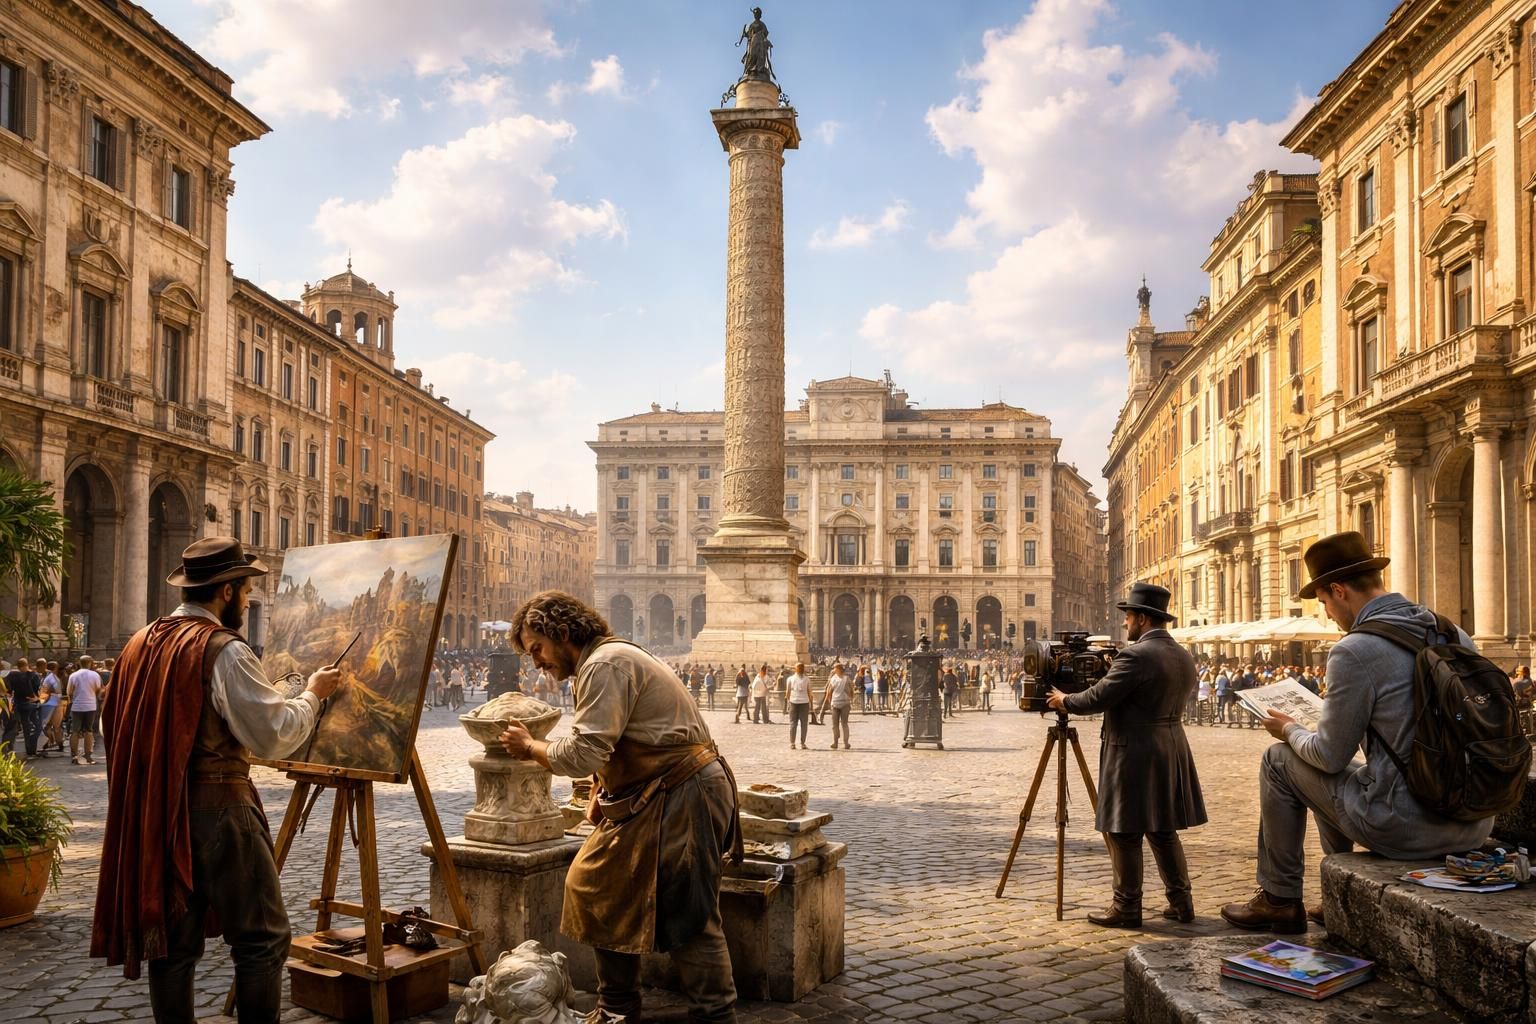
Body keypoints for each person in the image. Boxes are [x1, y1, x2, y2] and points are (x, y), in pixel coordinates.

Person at [90, 536, 342, 1023]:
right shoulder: (223, 649)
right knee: (262, 939)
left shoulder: (139, 643)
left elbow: (112, 725)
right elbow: (273, 734)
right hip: (220, 808)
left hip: (157, 810)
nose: (246, 602)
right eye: (245, 592)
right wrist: (312, 694)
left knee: (172, 944)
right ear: (226, 591)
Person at [1221, 532, 1502, 934]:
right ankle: (1335, 891)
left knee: (1280, 760)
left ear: (1339, 591)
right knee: (1341, 775)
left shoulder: (1355, 649)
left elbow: (1329, 756)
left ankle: (1279, 899)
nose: (1328, 614)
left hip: (1409, 827)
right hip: (1474, 819)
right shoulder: (1452, 632)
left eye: (1324, 603)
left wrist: (1289, 729)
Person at [497, 591, 741, 1023]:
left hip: (683, 793)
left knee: (689, 911)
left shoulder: (604, 664)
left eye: (537, 648)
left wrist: (530, 746)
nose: (536, 662)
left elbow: (584, 752)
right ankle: (618, 1008)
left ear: (562, 633)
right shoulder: (603, 661)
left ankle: (716, 1016)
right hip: (657, 794)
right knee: (596, 885)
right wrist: (601, 790)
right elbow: (619, 740)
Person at [1048, 582, 1207, 928]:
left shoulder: (1136, 656)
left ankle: (1127, 907)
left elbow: (1098, 698)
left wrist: (1065, 701)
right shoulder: (1182, 654)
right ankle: (1182, 902)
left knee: (1124, 830)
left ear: (1143, 619)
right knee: (1163, 829)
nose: (1125, 623)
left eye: (1129, 617)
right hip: (1170, 746)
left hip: (1134, 751)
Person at [67, 657, 105, 765]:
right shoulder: (95, 675)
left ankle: (74, 756)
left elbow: (69, 692)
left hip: (77, 706)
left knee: (75, 731)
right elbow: (99, 691)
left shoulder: (73, 675)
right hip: (90, 706)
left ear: (80, 663)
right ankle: (88, 756)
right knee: (88, 731)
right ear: (90, 663)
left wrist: (72, 701)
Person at [3, 657, 43, 758]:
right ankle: (30, 749)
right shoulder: (33, 675)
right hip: (29, 703)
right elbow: (38, 689)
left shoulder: (12, 675)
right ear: (26, 665)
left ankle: (8, 750)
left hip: (16, 704)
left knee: (13, 727)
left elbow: (9, 690)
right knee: (28, 727)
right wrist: (36, 698)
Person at [819, 662, 852, 749]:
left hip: (843, 703)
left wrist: (830, 701)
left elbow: (830, 692)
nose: (833, 670)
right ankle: (836, 742)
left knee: (842, 724)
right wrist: (830, 701)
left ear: (838, 669)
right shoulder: (835, 679)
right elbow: (830, 691)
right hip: (837, 703)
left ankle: (845, 742)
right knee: (837, 725)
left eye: (835, 668)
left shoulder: (845, 678)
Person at [786, 662, 812, 750]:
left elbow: (787, 692)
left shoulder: (791, 679)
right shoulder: (806, 679)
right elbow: (809, 692)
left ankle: (796, 743)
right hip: (799, 702)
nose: (801, 669)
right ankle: (798, 743)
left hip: (798, 702)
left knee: (797, 723)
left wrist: (788, 702)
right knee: (799, 724)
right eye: (800, 668)